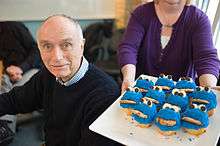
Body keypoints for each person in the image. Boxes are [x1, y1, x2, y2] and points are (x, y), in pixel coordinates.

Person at [0, 15, 122, 146]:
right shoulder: (48, 75)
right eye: (47, 46)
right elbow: (15, 100)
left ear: (81, 46)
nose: (56, 57)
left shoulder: (104, 95)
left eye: (66, 45)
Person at [118, 0, 220, 93]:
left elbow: (206, 57)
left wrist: (208, 88)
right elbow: (129, 48)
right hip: (141, 92)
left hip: (181, 96)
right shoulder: (141, 13)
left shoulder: (199, 19)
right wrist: (128, 79)